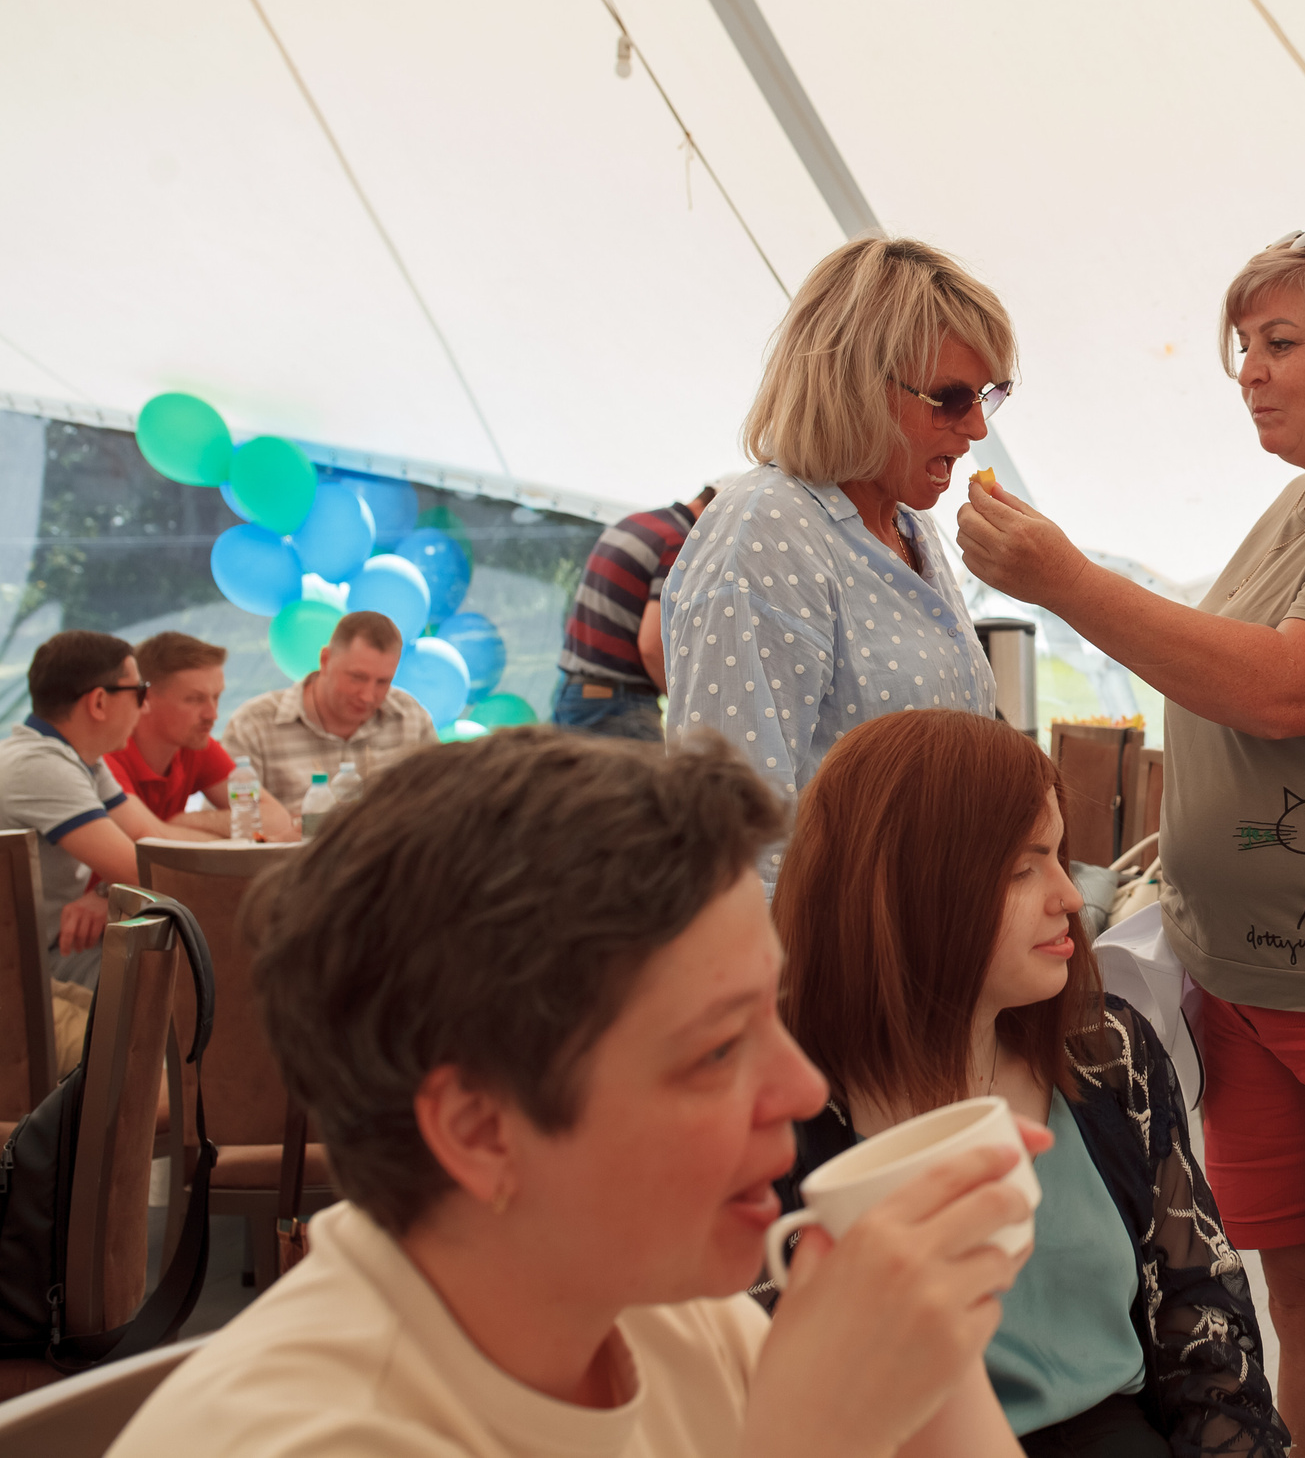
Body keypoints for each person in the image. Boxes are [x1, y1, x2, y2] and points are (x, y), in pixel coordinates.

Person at [958, 217, 1305, 1458]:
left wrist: (1060, 579)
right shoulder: (1300, 505)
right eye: (1243, 346)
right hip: (1257, 988)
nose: (1249, 372)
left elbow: (1284, 689)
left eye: (1279, 342)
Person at [111, 728, 1042, 1458]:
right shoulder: (314, 1433)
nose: (801, 1088)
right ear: (480, 1130)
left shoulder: (661, 1314)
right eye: (718, 1050)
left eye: (776, 1011)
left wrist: (928, 1346)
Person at [774, 709, 1286, 1458]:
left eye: (1059, 856)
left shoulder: (1107, 1051)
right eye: (1022, 867)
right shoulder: (780, 1109)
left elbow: (1206, 1329)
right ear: (908, 889)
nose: (1071, 897)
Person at [662, 238, 1012, 883]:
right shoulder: (766, 529)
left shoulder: (908, 524)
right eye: (951, 398)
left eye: (989, 395)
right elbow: (733, 840)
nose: (977, 428)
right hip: (840, 968)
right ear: (854, 384)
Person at [0, 631, 156, 988]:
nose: (145, 707)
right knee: (187, 975)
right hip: (27, 970)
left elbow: (156, 838)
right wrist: (109, 894)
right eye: (140, 692)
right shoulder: (39, 765)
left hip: (53, 948)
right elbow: (144, 871)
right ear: (99, 702)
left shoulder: (78, 759)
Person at [221, 609, 437, 822]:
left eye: (383, 682)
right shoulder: (253, 725)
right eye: (357, 677)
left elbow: (441, 808)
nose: (368, 696)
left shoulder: (411, 718)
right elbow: (232, 824)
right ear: (325, 660)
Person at [554, 483, 717, 739]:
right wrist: (688, 708)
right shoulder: (678, 543)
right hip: (617, 705)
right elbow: (651, 647)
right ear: (716, 509)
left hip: (574, 692)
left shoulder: (637, 521)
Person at [105, 631, 296, 837]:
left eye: (216, 697)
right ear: (145, 699)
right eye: (194, 699)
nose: (212, 714)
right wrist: (234, 836)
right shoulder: (107, 752)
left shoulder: (193, 742)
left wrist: (188, 821)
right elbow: (149, 839)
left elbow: (277, 819)